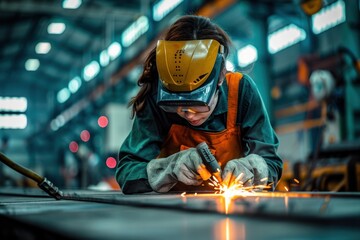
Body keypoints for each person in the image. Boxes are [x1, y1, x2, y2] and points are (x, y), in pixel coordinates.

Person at [116, 15, 282, 194]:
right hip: (170, 211)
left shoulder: (241, 91)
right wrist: (167, 168)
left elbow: (271, 163)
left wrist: (254, 168)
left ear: (220, 77)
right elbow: (126, 171)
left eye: (197, 103)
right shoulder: (156, 96)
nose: (188, 114)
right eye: (176, 105)